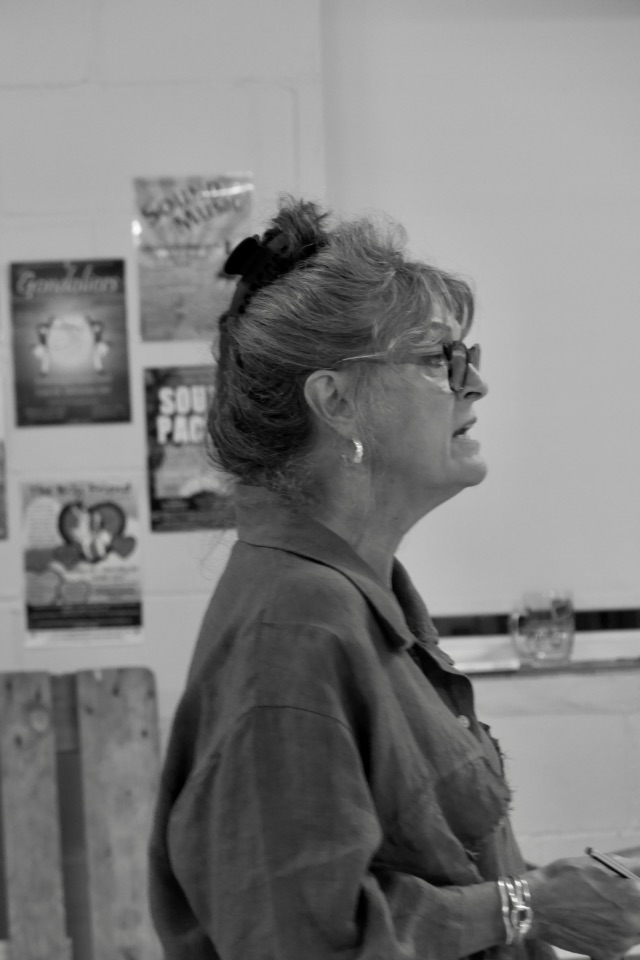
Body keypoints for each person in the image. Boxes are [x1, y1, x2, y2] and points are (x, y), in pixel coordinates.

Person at [148, 197, 640, 960]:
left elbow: (419, 868)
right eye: (439, 359)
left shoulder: (357, 593)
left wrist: (549, 898)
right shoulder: (295, 628)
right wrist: (525, 907)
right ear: (336, 402)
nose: (475, 384)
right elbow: (301, 941)